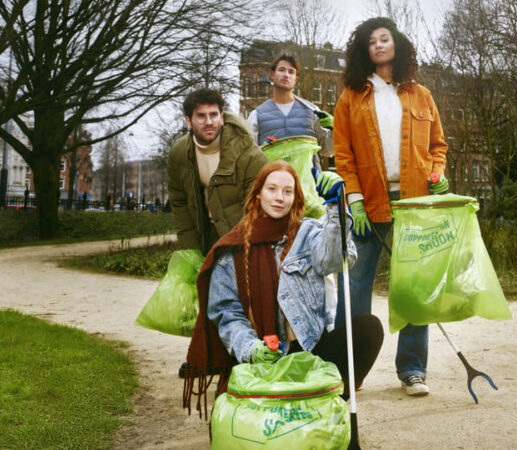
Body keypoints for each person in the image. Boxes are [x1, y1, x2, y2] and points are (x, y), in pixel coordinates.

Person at [183, 161, 384, 416]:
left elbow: (337, 259)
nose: (279, 198)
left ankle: (323, 405)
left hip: (310, 354)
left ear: (296, 197)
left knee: (369, 329)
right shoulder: (232, 250)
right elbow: (226, 313)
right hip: (264, 361)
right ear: (258, 193)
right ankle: (297, 409)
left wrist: (337, 208)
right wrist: (251, 349)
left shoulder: (308, 233)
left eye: (287, 191)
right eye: (272, 189)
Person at [333, 17, 449, 397]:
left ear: (397, 44)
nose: (379, 45)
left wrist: (438, 175)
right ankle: (347, 369)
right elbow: (343, 155)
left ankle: (413, 369)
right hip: (368, 204)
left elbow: (438, 147)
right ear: (363, 51)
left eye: (385, 39)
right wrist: (354, 201)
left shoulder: (420, 94)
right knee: (355, 286)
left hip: (414, 203)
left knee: (414, 287)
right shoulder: (351, 97)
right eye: (372, 41)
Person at [168, 88, 269, 255]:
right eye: (201, 116)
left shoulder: (250, 155)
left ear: (222, 118)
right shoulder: (179, 154)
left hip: (242, 238)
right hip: (204, 237)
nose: (209, 121)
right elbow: (180, 204)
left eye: (213, 115)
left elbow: (257, 209)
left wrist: (240, 251)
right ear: (188, 121)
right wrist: (190, 250)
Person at [248, 53, 334, 168]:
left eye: (291, 72)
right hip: (273, 183)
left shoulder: (312, 111)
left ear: (296, 79)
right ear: (272, 75)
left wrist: (335, 130)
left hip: (308, 184)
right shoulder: (257, 115)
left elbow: (328, 151)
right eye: (282, 70)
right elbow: (250, 157)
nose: (286, 75)